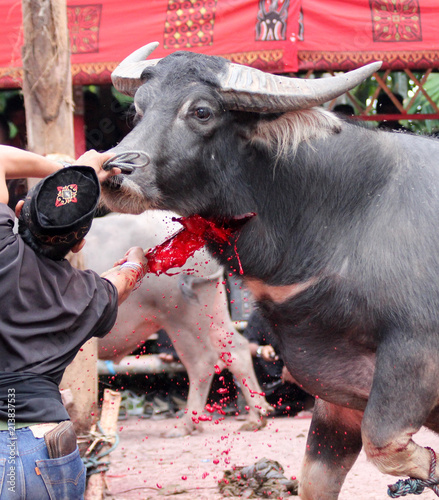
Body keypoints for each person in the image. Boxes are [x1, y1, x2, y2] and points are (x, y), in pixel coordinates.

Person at [0, 145, 149, 499]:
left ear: (20, 211)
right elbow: (125, 277)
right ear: (80, 243)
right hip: (44, 448)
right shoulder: (87, 295)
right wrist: (137, 262)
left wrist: (71, 168)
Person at [242, 310, 313, 417]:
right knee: (244, 359)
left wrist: (295, 367)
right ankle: (257, 405)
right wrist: (261, 350)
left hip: (303, 383)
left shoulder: (305, 313)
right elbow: (246, 345)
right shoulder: (260, 314)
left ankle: (315, 406)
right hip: (270, 384)